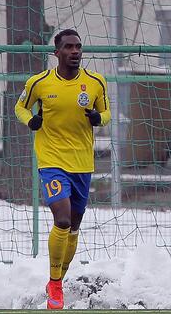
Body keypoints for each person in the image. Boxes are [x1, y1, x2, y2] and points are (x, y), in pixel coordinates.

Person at [15, 29, 111, 310]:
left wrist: (98, 118)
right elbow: (20, 107)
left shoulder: (95, 83)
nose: (75, 51)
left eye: (78, 46)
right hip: (51, 160)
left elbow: (106, 113)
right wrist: (31, 121)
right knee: (63, 219)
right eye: (68, 47)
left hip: (82, 163)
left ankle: (58, 279)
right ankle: (55, 285)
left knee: (74, 226)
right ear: (56, 52)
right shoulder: (39, 83)